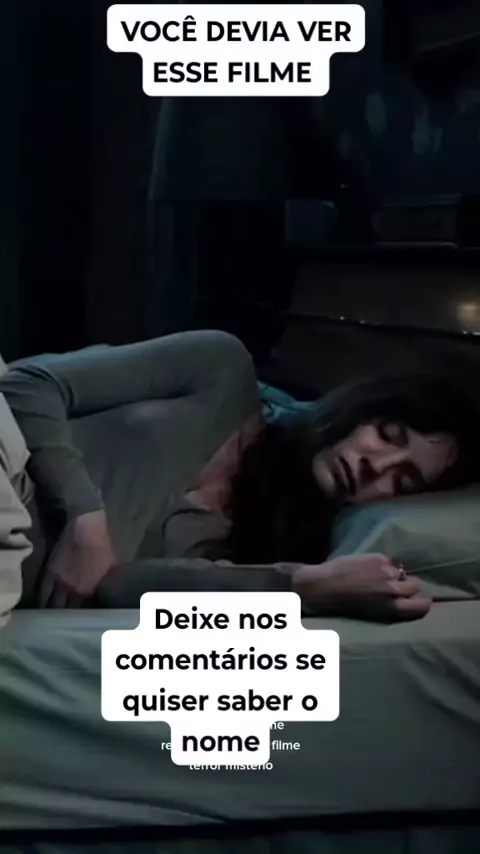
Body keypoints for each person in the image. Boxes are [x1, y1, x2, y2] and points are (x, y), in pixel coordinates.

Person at [1, 330, 478, 621]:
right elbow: (28, 383)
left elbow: (115, 588)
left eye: (403, 481)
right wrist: (84, 514)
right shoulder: (222, 369)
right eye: (389, 435)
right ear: (359, 410)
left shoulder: (257, 549)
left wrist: (302, 586)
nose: (378, 464)